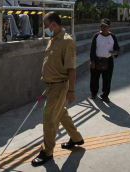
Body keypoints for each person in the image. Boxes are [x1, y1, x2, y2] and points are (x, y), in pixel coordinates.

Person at [31, 11, 84, 166]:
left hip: (59, 86)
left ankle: (47, 151)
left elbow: (71, 69)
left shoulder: (67, 42)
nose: (45, 28)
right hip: (50, 85)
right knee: (61, 113)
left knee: (49, 116)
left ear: (54, 24)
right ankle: (76, 138)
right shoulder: (52, 39)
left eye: (47, 25)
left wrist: (71, 91)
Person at [89, 18, 119, 103]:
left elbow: (117, 48)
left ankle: (105, 95)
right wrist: (92, 61)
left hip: (108, 60)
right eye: (102, 26)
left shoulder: (112, 36)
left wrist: (116, 52)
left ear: (109, 27)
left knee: (107, 79)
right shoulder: (96, 36)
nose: (104, 28)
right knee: (94, 78)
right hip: (97, 59)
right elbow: (92, 49)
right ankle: (94, 93)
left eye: (105, 26)